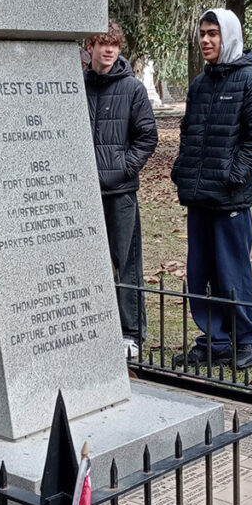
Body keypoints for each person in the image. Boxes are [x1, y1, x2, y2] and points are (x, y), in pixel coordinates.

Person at [170, 9, 252, 369]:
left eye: (213, 34)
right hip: (199, 195)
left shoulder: (251, 81)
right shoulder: (200, 84)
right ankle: (214, 340)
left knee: (233, 272)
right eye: (202, 34)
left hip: (229, 196)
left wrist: (235, 174)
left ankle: (246, 340)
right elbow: (189, 132)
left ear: (228, 36)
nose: (205, 40)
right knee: (200, 273)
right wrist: (181, 170)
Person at [84, 21, 159, 357]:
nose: (109, 49)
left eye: (113, 43)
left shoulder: (133, 89)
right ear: (90, 47)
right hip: (83, 193)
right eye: (102, 43)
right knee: (89, 263)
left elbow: (147, 137)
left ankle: (131, 333)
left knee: (125, 261)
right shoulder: (76, 86)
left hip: (119, 193)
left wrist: (123, 170)